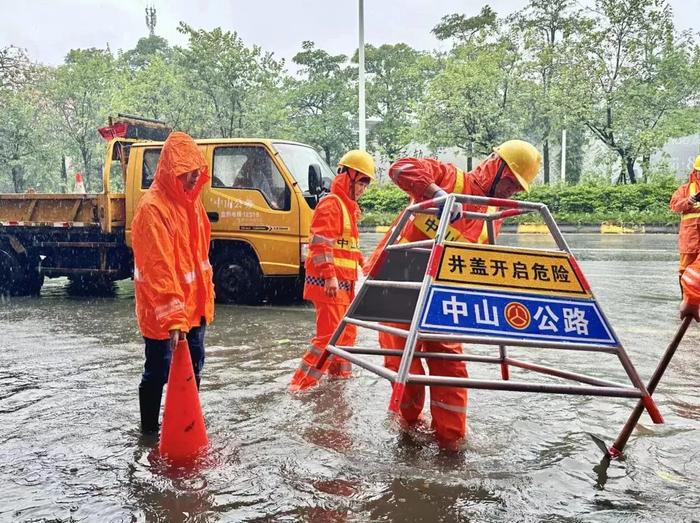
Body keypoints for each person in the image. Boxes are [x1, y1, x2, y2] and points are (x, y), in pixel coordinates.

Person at [365, 139, 541, 449]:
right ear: (493, 165)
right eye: (510, 183)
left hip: (442, 298)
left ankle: (452, 444)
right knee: (409, 370)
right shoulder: (448, 177)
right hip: (397, 285)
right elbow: (400, 169)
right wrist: (438, 195)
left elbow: (481, 268)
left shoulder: (489, 218)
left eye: (515, 190)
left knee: (452, 369)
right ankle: (408, 434)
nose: (508, 193)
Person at [131, 131, 215, 434]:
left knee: (193, 370)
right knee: (158, 371)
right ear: (170, 171)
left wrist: (202, 308)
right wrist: (174, 319)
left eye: (196, 172)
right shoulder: (153, 209)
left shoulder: (193, 206)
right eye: (185, 173)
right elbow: (159, 270)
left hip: (193, 312)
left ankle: (184, 426)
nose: (193, 178)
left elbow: (199, 260)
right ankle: (150, 432)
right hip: (164, 316)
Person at [289, 150, 375, 391]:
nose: (362, 190)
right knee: (328, 338)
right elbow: (320, 243)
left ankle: (338, 385)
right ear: (348, 177)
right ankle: (300, 386)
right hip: (328, 285)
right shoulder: (332, 204)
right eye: (361, 183)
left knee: (346, 336)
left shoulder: (348, 209)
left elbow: (349, 247)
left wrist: (365, 265)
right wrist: (329, 276)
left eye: (365, 185)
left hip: (344, 286)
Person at [669, 155, 700, 292]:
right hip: (690, 238)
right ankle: (685, 299)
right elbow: (674, 206)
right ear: (695, 172)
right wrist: (690, 200)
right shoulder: (685, 190)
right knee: (685, 269)